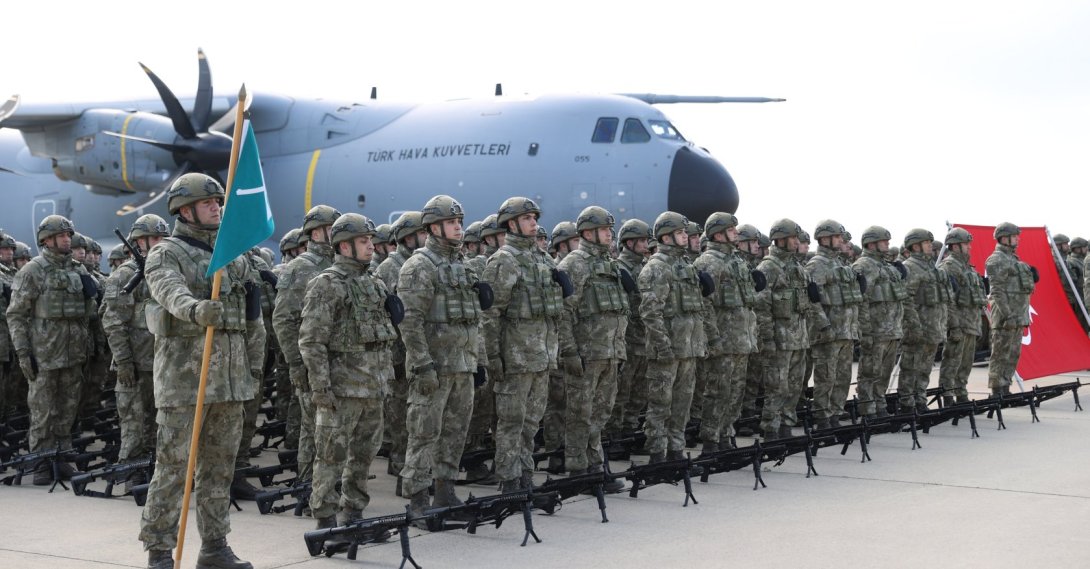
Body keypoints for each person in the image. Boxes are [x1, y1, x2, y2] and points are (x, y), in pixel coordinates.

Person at [137, 173, 265, 569]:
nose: (217, 207)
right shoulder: (166, 253)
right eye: (208, 202)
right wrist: (194, 308)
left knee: (219, 470)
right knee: (174, 469)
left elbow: (253, 316)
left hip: (229, 383)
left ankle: (214, 546)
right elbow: (167, 290)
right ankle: (159, 551)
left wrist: (255, 366)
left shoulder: (234, 256)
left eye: (218, 201)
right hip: (185, 383)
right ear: (185, 209)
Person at [300, 213, 397, 530]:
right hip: (342, 390)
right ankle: (325, 520)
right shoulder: (327, 284)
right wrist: (321, 388)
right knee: (330, 457)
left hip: (373, 387)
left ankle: (354, 513)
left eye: (370, 240)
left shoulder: (374, 282)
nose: (371, 246)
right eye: (363, 241)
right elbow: (312, 341)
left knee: (364, 457)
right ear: (343, 246)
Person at [398, 195, 487, 518]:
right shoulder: (419, 266)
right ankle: (418, 498)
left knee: (455, 431)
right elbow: (410, 321)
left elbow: (474, 319)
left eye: (459, 222)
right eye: (452, 223)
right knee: (424, 433)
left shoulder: (461, 266)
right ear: (434, 228)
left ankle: (445, 490)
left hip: (462, 365)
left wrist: (479, 360)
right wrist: (422, 365)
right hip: (433, 368)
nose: (459, 228)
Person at [7, 215, 97, 484]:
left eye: (69, 234)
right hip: (44, 354)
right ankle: (41, 464)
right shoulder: (33, 271)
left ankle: (63, 457)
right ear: (46, 240)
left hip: (74, 352)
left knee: (68, 408)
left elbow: (88, 313)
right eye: (62, 235)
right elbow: (16, 314)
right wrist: (24, 353)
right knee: (43, 410)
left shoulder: (78, 270)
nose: (68, 239)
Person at [482, 197, 562, 491]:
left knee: (531, 423)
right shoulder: (503, 261)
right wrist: (493, 357)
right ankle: (508, 479)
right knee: (510, 423)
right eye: (528, 218)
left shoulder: (543, 259)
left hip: (541, 357)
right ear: (512, 224)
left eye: (534, 218)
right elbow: (490, 315)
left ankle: (525, 475)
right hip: (515, 359)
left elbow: (554, 311)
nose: (534, 223)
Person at [556, 205, 627, 488]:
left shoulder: (609, 264)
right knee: (579, 413)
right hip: (586, 354)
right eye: (604, 229)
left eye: (610, 229)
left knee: (600, 413)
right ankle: (577, 469)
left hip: (609, 352)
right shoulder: (574, 264)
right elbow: (562, 312)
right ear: (588, 232)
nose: (610, 234)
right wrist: (569, 351)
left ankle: (595, 463)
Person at [273, 204, 341, 486]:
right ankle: (307, 485)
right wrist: (296, 364)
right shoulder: (299, 268)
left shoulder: (340, 265)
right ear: (315, 232)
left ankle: (326, 484)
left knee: (332, 430)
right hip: (310, 362)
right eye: (331, 228)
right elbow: (283, 320)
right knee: (313, 428)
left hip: (339, 362)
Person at [101, 214, 169, 486]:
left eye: (161, 238)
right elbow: (113, 322)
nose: (157, 244)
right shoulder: (125, 276)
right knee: (133, 424)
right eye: (152, 239)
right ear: (137, 242)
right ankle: (130, 473)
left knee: (158, 423)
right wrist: (125, 362)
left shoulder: (166, 271)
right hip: (135, 365)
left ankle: (153, 472)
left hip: (162, 362)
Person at [639, 211, 706, 461]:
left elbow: (697, 308)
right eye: (680, 233)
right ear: (666, 237)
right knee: (660, 405)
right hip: (667, 352)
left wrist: (700, 341)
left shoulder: (685, 265)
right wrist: (663, 347)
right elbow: (650, 312)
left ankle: (676, 451)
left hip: (688, 348)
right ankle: (657, 452)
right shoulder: (657, 267)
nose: (685, 237)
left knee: (682, 404)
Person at [753, 219, 827, 439]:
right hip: (779, 340)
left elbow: (809, 301)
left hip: (799, 338)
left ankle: (786, 425)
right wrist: (767, 339)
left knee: (795, 386)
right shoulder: (768, 268)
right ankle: (771, 429)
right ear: (781, 239)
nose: (797, 242)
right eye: (793, 238)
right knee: (777, 387)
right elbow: (761, 307)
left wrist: (822, 324)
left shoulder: (797, 268)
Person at [693, 213, 758, 451]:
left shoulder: (737, 262)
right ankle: (711, 440)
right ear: (718, 234)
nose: (736, 234)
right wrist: (713, 338)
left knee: (735, 392)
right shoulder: (709, 262)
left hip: (741, 340)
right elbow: (705, 305)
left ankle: (726, 435)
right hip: (722, 341)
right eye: (731, 230)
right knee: (717, 392)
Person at [375, 211, 424, 486]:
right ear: (408, 237)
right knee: (400, 412)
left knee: (416, 414)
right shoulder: (388, 268)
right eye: (423, 233)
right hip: (397, 355)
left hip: (417, 352)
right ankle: (400, 463)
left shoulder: (423, 264)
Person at [806, 220, 862, 429]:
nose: (841, 240)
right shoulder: (817, 264)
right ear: (825, 239)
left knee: (842, 376)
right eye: (837, 237)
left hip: (845, 331)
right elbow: (812, 300)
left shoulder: (841, 265)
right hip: (828, 333)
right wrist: (824, 326)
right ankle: (822, 417)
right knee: (826, 377)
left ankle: (836, 413)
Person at [852, 226, 907, 419]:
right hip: (875, 331)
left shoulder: (888, 267)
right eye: (884, 241)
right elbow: (861, 300)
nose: (887, 244)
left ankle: (880, 402)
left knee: (884, 372)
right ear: (871, 243)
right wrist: (865, 331)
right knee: (870, 372)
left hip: (892, 330)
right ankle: (867, 408)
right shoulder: (864, 266)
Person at [607, 219, 650, 438]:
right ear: (629, 242)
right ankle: (615, 434)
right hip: (628, 338)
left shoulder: (645, 266)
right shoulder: (619, 268)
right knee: (622, 390)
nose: (645, 244)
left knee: (640, 391)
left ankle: (630, 429)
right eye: (641, 240)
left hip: (644, 337)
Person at [899, 228, 950, 412]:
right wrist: (914, 326)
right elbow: (906, 299)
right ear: (915, 246)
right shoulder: (910, 267)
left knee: (925, 367)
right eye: (927, 242)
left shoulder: (931, 267)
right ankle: (906, 402)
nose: (930, 246)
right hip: (918, 328)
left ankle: (920, 398)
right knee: (911, 366)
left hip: (932, 328)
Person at [986, 222, 1036, 396]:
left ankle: (1005, 388)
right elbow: (997, 291)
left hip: (1017, 315)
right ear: (1004, 238)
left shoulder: (1013, 259)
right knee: (1000, 354)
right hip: (1006, 317)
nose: (1018, 239)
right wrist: (1008, 315)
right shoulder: (996, 259)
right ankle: (997, 391)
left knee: (1012, 354)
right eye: (1014, 236)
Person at [938, 227, 986, 405]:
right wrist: (954, 325)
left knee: (965, 364)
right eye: (966, 244)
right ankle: (948, 396)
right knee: (952, 362)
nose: (969, 247)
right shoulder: (949, 266)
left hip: (971, 322)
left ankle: (961, 392)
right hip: (958, 323)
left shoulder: (967, 267)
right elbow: (948, 300)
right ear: (955, 246)